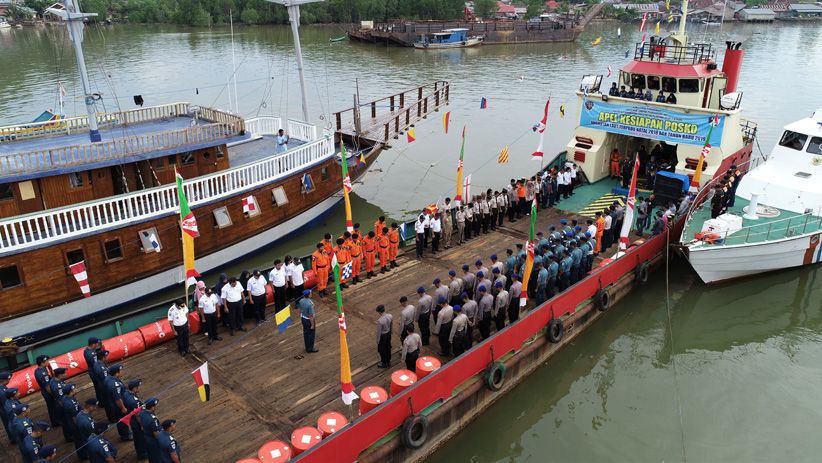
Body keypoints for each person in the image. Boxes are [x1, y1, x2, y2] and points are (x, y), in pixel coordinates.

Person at [103, 365, 131, 441]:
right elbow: (118, 399)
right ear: (117, 373)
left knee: (120, 420)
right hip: (117, 406)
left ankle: (124, 433)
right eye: (120, 370)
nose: (122, 372)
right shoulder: (115, 384)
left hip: (112, 403)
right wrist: (123, 408)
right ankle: (125, 436)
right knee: (122, 420)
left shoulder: (108, 378)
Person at [122, 380, 147, 460]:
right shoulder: (134, 401)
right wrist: (142, 425)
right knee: (140, 438)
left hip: (131, 419)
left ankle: (140, 452)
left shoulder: (126, 394)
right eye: (137, 387)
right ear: (134, 388)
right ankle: (143, 454)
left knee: (137, 438)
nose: (139, 388)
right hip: (136, 421)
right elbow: (137, 415)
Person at [33, 355, 58, 428]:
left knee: (52, 407)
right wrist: (54, 394)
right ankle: (56, 422)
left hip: (45, 392)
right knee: (53, 407)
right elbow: (47, 387)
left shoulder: (40, 370)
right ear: (42, 363)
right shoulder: (42, 373)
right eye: (47, 361)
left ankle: (55, 421)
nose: (48, 362)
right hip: (48, 393)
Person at [139, 397, 161, 463]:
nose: (157, 406)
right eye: (156, 405)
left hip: (146, 437)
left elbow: (139, 418)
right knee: (157, 457)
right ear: (152, 407)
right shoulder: (153, 419)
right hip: (153, 440)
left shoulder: (142, 412)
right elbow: (156, 435)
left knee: (151, 456)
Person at [84, 337, 103, 405]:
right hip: (94, 372)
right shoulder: (89, 353)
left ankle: (101, 401)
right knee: (99, 386)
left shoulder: (90, 350)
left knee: (99, 386)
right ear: (93, 344)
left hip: (94, 370)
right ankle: (101, 402)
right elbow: (94, 364)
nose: (97, 345)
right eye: (96, 343)